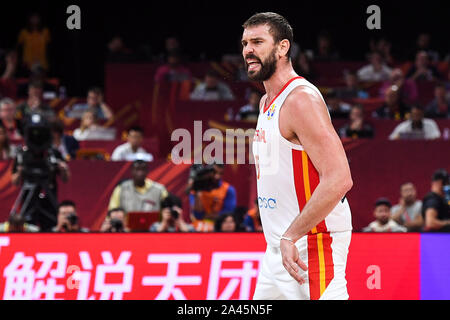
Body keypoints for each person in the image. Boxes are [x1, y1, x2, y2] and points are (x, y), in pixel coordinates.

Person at [242, 12, 353, 300]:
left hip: (312, 244)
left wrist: (291, 234)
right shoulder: (267, 101)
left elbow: (340, 178)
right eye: (244, 43)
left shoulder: (300, 99)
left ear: (283, 47)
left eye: (257, 41)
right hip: (280, 248)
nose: (248, 50)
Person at [188, 164, 237, 232]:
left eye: (220, 173)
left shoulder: (228, 189)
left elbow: (228, 215)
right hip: (200, 228)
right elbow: (197, 215)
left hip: (220, 228)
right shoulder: (197, 188)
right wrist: (198, 193)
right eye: (214, 172)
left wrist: (206, 216)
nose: (217, 176)